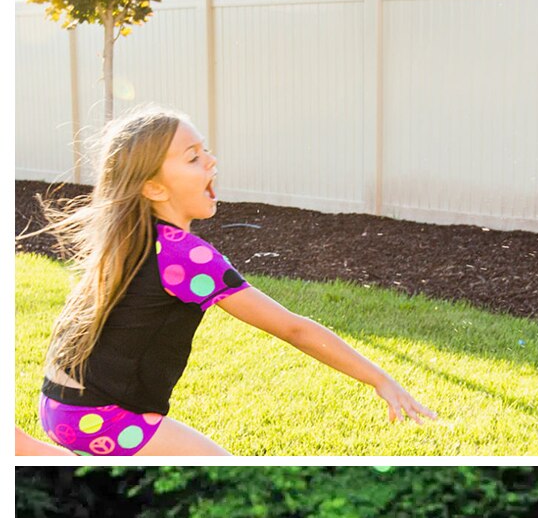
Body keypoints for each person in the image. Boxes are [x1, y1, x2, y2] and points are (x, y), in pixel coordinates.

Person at [28, 106, 434, 456]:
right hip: (102, 417)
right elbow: (292, 328)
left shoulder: (129, 238)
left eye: (205, 150)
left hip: (60, 404)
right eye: (192, 158)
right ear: (152, 186)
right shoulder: (184, 256)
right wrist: (379, 379)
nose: (210, 161)